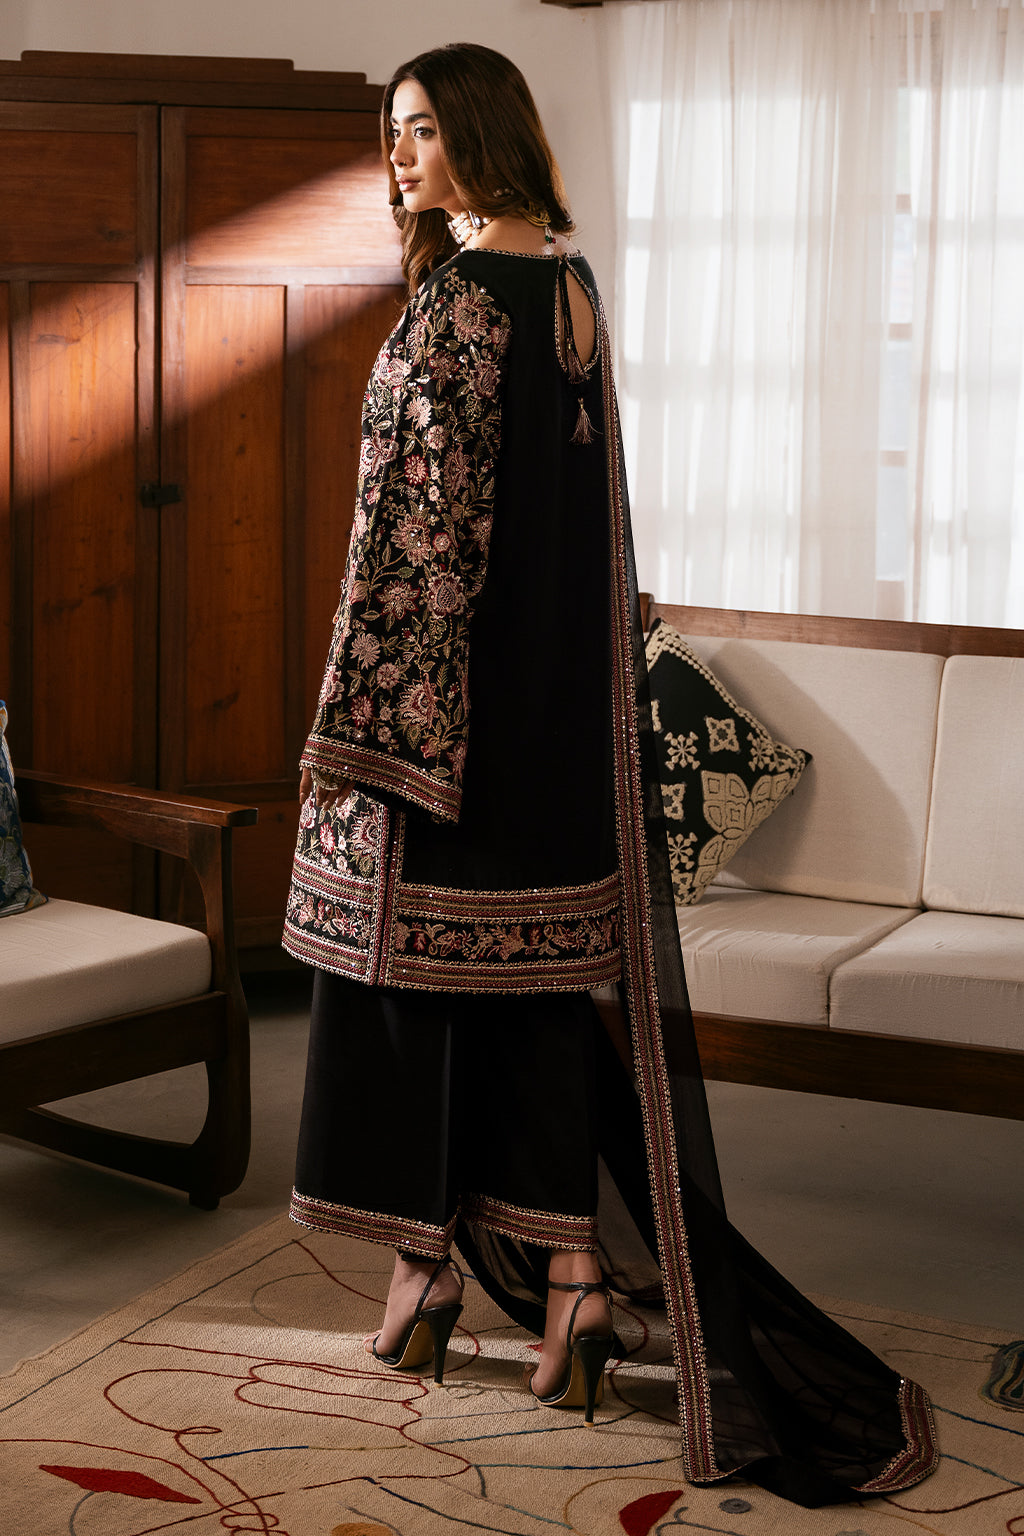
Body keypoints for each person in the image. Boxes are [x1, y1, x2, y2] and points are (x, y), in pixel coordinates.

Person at [284, 42, 938, 1507]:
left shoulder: (459, 305)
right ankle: (574, 1284)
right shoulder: (570, 289)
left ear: (482, 133)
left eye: (422, 130)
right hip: (554, 738)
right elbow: (587, 539)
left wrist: (359, 734)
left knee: (397, 995)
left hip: (443, 736)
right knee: (526, 1005)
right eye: (392, 132)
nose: (399, 156)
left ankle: (423, 1272)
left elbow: (418, 547)